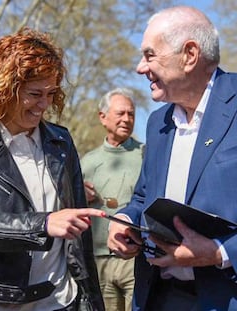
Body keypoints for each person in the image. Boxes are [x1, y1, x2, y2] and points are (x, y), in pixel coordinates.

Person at [107, 5, 237, 311]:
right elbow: (144, 197)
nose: (139, 68)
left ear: (189, 55)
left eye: (149, 55)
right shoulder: (157, 122)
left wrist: (218, 251)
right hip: (161, 296)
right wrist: (125, 220)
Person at [0, 27, 105, 311]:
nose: (45, 104)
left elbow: (80, 239)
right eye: (35, 94)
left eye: (51, 93)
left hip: (59, 299)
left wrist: (91, 299)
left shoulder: (61, 141)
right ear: (3, 89)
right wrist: (43, 223)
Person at [80, 87, 144, 311]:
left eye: (131, 114)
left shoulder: (147, 154)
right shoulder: (87, 162)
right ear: (103, 117)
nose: (127, 119)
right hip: (98, 261)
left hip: (136, 259)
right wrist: (79, 195)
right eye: (121, 113)